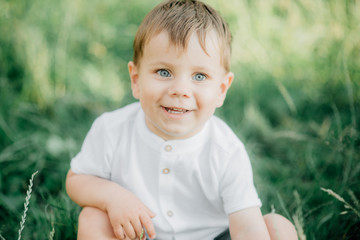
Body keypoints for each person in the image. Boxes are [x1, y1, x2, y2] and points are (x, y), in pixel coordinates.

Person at [66, 0, 298, 239]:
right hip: (141, 234)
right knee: (93, 217)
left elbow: (247, 227)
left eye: (199, 76)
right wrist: (113, 197)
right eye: (164, 72)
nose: (180, 90)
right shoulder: (112, 130)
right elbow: (77, 180)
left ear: (221, 89)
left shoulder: (226, 151)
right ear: (136, 80)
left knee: (278, 228)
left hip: (213, 236)